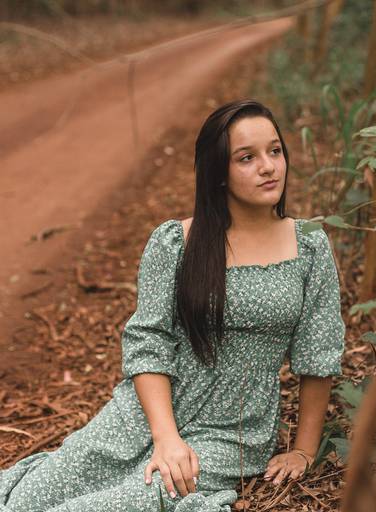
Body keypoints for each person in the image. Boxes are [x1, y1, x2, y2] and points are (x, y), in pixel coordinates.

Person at [0, 99, 346, 511]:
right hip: (142, 417)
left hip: (229, 434)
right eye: (247, 158)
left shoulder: (309, 246)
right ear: (218, 172)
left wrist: (304, 450)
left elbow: (317, 354)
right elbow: (148, 341)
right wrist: (165, 438)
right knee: (26, 500)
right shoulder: (175, 243)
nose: (268, 167)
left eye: (275, 151)